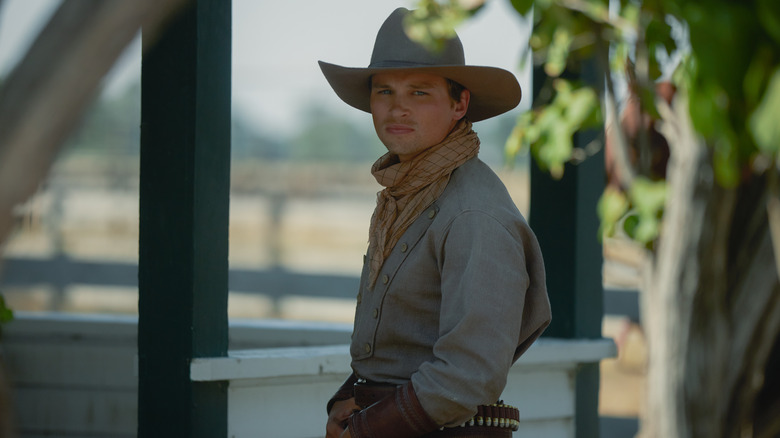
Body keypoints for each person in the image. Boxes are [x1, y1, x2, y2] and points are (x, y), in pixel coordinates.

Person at [319, 7, 551, 438]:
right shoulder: (406, 193)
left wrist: (366, 430)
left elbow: (468, 374)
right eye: (384, 91)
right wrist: (347, 401)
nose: (397, 108)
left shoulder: (473, 214)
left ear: (459, 104)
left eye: (420, 93)